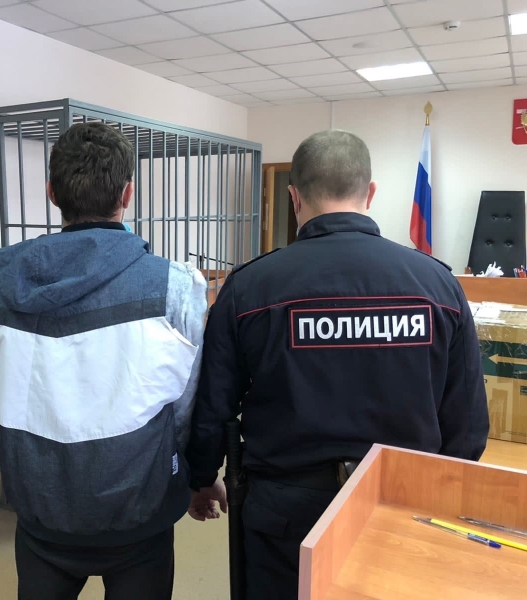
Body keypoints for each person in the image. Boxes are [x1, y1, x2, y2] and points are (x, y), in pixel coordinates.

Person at [185, 130, 489, 599]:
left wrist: (202, 479)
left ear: (294, 197)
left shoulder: (249, 288)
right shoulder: (438, 286)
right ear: (370, 192)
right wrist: (436, 495)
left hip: (285, 513)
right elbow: (467, 424)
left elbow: (214, 406)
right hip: (400, 502)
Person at [0, 122, 208, 600]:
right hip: (139, 504)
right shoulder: (174, 285)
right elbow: (185, 404)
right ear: (127, 194)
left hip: (41, 506)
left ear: (51, 192)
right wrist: (191, 474)